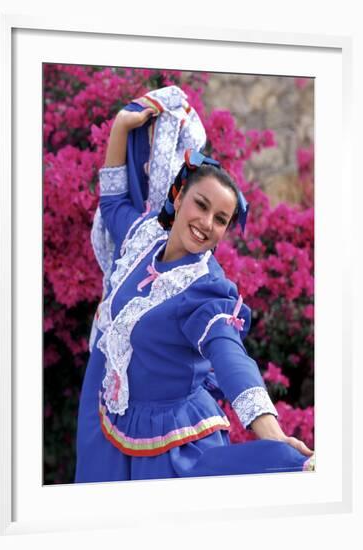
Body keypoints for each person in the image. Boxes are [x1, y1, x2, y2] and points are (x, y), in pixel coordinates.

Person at [74, 94, 315, 483]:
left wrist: (270, 433)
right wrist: (121, 126)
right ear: (179, 196)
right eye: (200, 205)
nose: (206, 223)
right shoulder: (144, 239)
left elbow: (231, 357)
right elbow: (114, 200)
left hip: (169, 446)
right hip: (105, 415)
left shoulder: (208, 290)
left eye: (220, 219)